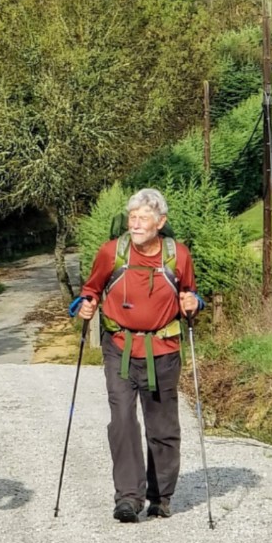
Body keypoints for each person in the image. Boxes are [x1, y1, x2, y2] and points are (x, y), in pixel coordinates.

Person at [73, 187, 200, 522]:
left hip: (164, 350)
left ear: (161, 222)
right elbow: (91, 288)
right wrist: (86, 304)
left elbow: (190, 294)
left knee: (162, 427)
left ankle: (160, 496)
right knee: (123, 420)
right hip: (120, 348)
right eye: (132, 217)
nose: (137, 224)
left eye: (144, 218)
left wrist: (193, 304)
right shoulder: (111, 253)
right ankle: (128, 498)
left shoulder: (178, 256)